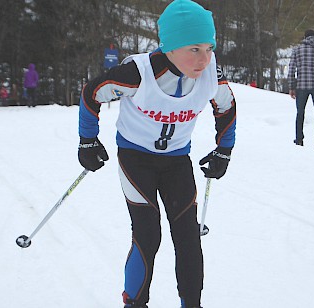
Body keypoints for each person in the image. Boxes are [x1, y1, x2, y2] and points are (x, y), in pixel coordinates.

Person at [77, 1, 237, 307]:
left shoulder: (210, 72)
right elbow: (92, 93)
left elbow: (227, 107)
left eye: (209, 47)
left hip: (176, 161)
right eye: (194, 48)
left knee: (188, 236)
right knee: (148, 234)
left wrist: (224, 150)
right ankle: (134, 303)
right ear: (170, 46)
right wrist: (88, 141)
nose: (204, 58)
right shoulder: (138, 73)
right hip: (135, 159)